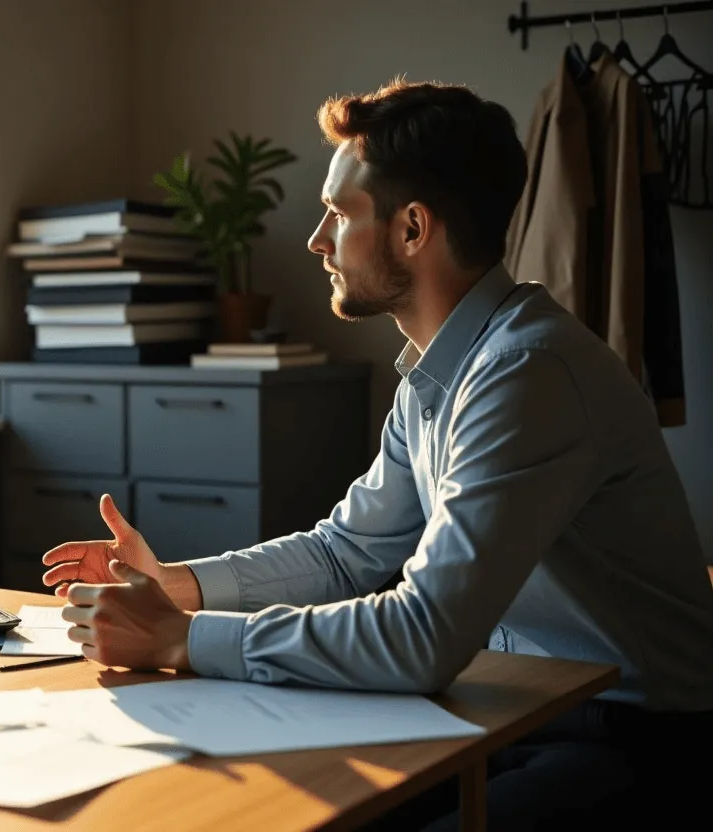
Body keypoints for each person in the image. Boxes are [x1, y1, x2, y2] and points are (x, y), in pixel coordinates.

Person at [42, 79, 713, 828]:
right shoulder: (436, 372)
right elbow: (345, 555)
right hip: (517, 706)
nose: (316, 240)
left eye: (338, 212)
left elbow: (422, 635)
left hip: (639, 739)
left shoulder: (527, 374)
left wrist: (185, 639)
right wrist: (179, 589)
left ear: (412, 229)